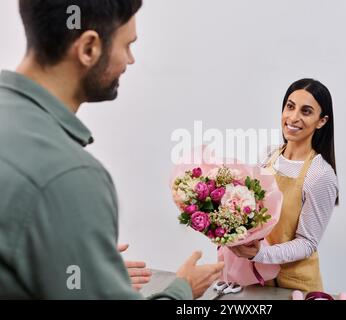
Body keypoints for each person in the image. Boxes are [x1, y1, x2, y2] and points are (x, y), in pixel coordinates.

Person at [0, 0, 223, 299]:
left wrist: (87, 270)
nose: (130, 60)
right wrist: (181, 289)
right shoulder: (68, 176)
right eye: (127, 45)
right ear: (89, 48)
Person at [229, 79, 339, 293]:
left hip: (294, 287)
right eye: (290, 106)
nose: (293, 117)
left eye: (306, 111)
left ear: (321, 121)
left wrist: (258, 254)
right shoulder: (269, 156)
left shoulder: (320, 175)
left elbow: (307, 243)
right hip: (256, 278)